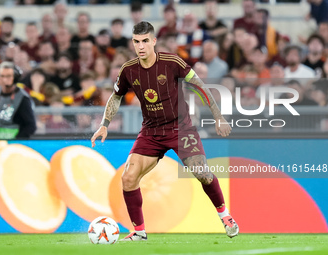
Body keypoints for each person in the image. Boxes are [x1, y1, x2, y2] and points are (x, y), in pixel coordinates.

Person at [91, 21, 238, 241]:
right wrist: (105, 123)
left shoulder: (172, 62)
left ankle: (225, 216)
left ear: (154, 41)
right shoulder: (128, 70)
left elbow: (199, 86)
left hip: (181, 129)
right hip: (151, 131)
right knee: (128, 177)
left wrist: (218, 116)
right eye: (136, 42)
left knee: (202, 173)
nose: (140, 46)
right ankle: (139, 232)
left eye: (145, 41)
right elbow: (116, 96)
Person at [0, 61, 36, 139]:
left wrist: (17, 140)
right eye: (2, 76)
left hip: (11, 142)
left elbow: (30, 126)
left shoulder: (23, 99)